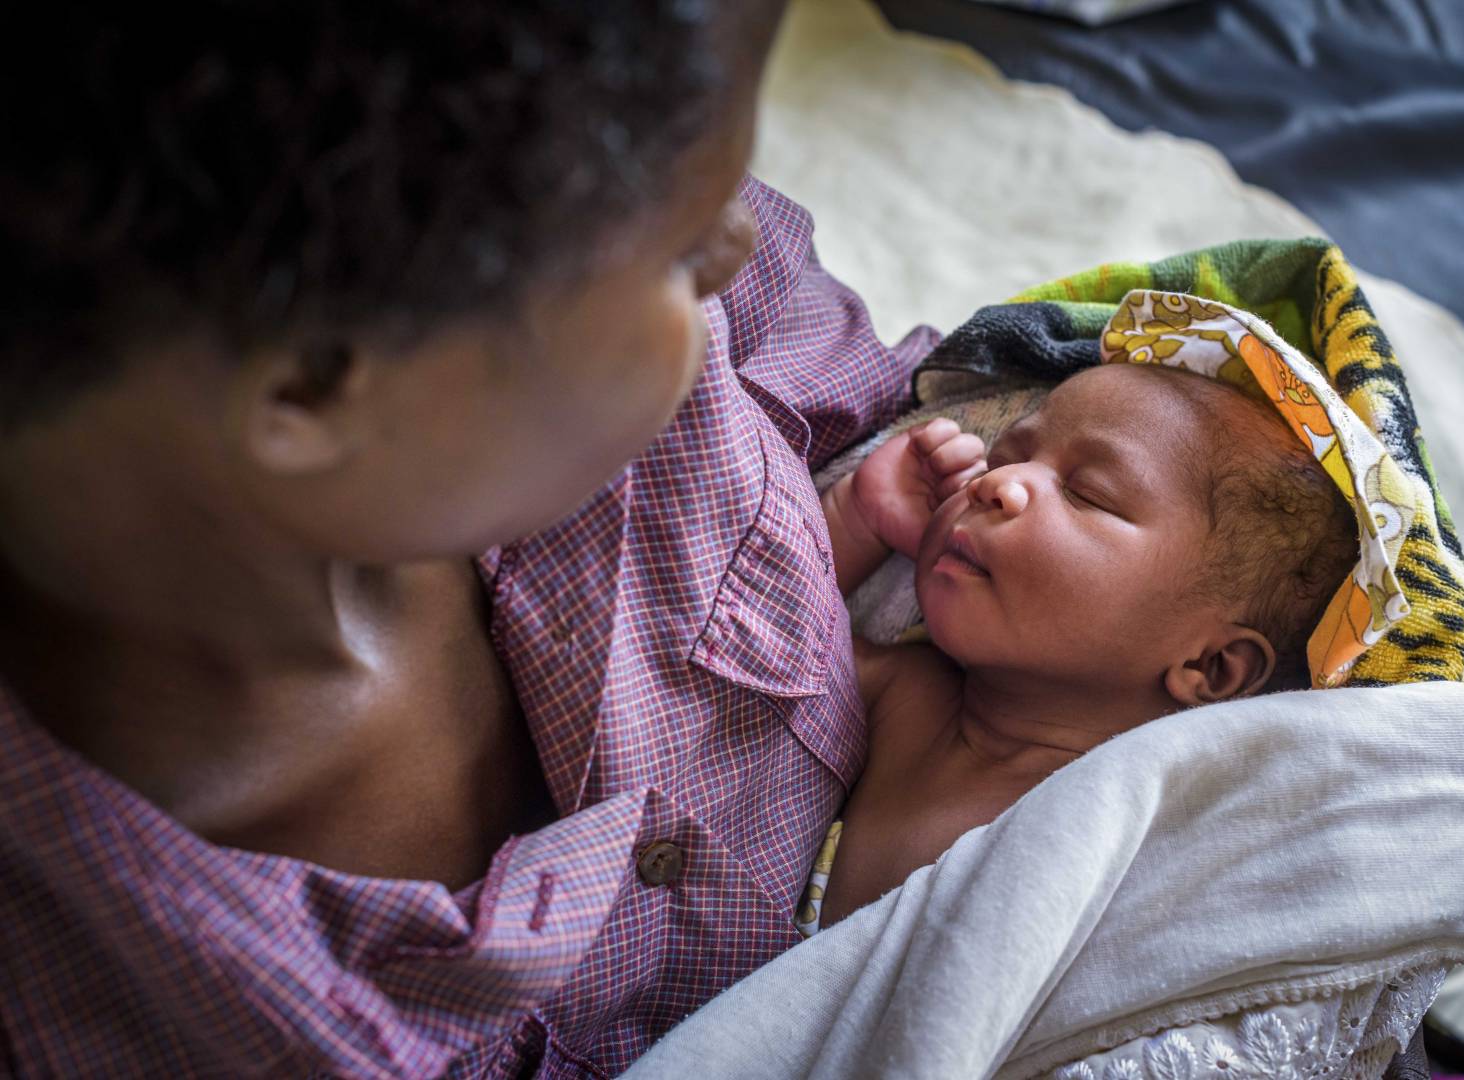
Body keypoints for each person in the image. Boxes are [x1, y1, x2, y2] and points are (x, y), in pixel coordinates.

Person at [0, 2, 936, 1075]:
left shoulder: (600, 242)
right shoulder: (125, 1006)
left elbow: (891, 385)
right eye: (680, 252)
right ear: (314, 390)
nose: (737, 245)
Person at [804, 362, 1359, 929]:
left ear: (1210, 665)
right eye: (1003, 458)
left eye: (1087, 494)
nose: (994, 484)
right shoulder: (910, 692)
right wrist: (855, 521)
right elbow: (781, 641)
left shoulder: (1144, 838)